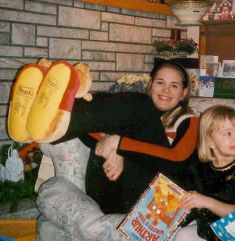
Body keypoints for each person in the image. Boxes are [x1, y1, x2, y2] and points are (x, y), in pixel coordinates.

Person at [51, 58, 199, 213]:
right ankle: (53, 116)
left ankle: (54, 117)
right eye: (160, 82)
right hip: (118, 199)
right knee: (110, 102)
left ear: (184, 93)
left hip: (165, 202)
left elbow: (176, 159)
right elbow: (88, 129)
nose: (165, 90)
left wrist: (120, 144)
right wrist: (114, 149)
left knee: (142, 104)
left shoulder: (188, 120)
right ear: (151, 85)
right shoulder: (140, 117)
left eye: (174, 86)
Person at [174, 105, 235, 241]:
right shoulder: (200, 168)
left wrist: (206, 202)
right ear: (211, 142)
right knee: (182, 235)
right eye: (227, 133)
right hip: (209, 232)